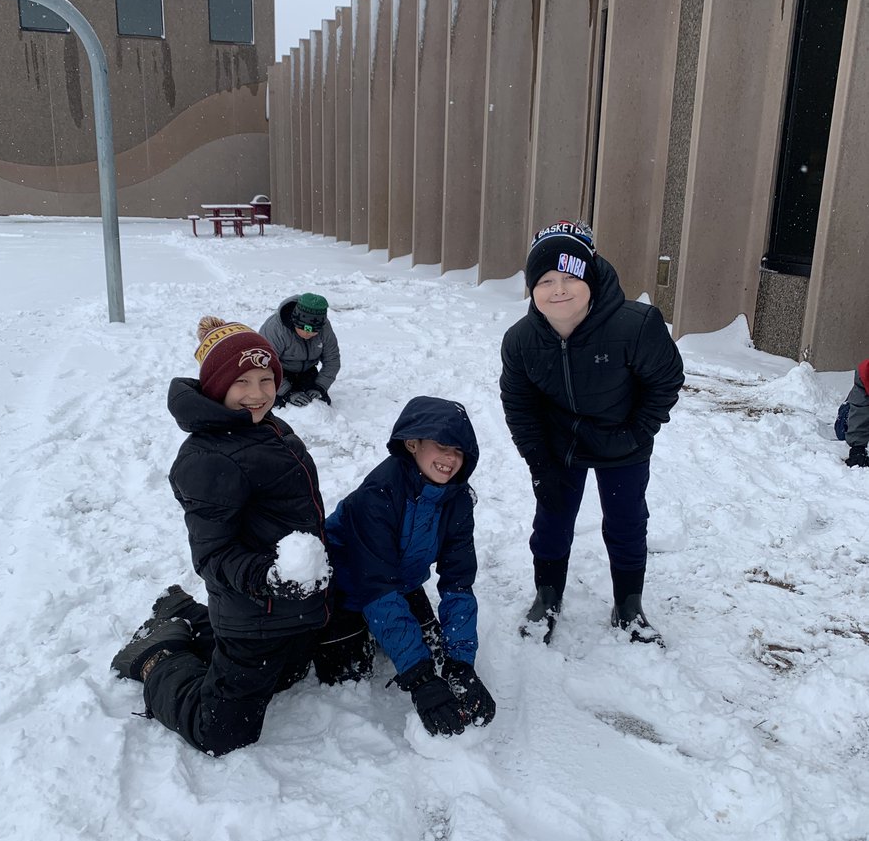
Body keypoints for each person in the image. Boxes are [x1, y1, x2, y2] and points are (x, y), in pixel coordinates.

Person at [110, 317, 330, 756]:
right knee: (224, 730)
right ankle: (158, 657)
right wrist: (268, 576)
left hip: (288, 602)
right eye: (242, 381)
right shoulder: (208, 458)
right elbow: (213, 555)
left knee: (286, 676)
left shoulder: (264, 426)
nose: (258, 393)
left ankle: (185, 614)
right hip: (253, 610)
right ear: (215, 387)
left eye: (267, 378)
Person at [500, 219, 685, 645]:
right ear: (532, 287)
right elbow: (519, 404)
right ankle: (547, 597)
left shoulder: (634, 325)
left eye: (569, 277)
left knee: (626, 523)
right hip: (559, 447)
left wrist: (638, 433)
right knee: (551, 522)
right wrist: (539, 460)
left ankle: (628, 605)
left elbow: (665, 380)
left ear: (590, 276)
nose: (558, 290)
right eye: (545, 280)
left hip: (623, 443)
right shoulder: (522, 340)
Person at [313, 396, 496, 737]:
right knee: (347, 677)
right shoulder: (378, 495)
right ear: (413, 444)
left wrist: (462, 664)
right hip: (348, 589)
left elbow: (458, 582)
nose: (450, 459)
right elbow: (377, 587)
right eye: (442, 446)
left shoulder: (456, 500)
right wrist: (420, 679)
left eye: (459, 452)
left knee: (438, 652)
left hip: (400, 581)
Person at [258, 293, 340, 408]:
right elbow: (264, 365)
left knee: (320, 402)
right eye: (305, 329)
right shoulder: (275, 329)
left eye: (314, 331)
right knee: (278, 404)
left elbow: (332, 359)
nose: (309, 334)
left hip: (307, 371)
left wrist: (320, 386)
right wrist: (287, 392)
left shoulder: (324, 328)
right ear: (295, 321)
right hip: (278, 372)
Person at [838, 358, 869, 468]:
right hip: (857, 407)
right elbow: (860, 408)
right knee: (842, 430)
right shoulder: (866, 373)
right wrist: (858, 447)